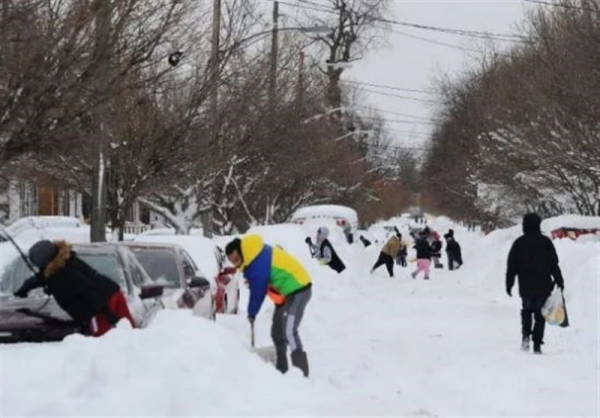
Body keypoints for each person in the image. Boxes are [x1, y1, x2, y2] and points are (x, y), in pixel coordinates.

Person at [225, 235, 312, 376]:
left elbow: (258, 291)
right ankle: (282, 370)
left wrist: (252, 313)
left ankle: (302, 374)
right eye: (232, 261)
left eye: (236, 259)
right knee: (277, 332)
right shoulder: (254, 256)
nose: (235, 264)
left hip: (298, 289)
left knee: (289, 330)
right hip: (286, 294)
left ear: (241, 251)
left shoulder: (256, 261)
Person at [13, 240, 135, 337]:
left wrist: (107, 314)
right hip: (109, 294)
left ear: (45, 262)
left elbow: (88, 290)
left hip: (104, 303)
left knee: (107, 340)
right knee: (124, 334)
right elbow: (41, 278)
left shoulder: (65, 274)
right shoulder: (61, 264)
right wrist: (24, 288)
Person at [506, 213, 565, 355]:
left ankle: (526, 336)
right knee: (540, 315)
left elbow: (512, 265)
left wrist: (509, 283)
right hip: (543, 285)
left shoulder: (519, 243)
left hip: (525, 285)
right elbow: (553, 264)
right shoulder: (545, 242)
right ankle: (537, 344)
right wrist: (559, 280)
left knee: (526, 311)